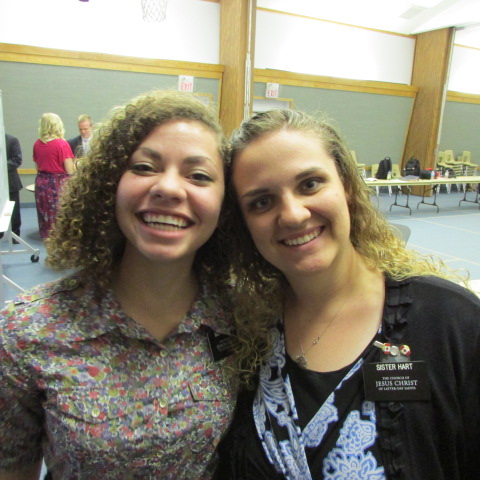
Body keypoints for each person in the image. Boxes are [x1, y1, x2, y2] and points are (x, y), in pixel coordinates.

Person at [214, 109, 480, 479]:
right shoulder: (249, 334)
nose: (293, 215)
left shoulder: (452, 323)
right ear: (244, 224)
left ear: (347, 187)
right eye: (262, 202)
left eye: (310, 184)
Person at [0, 90, 236, 480]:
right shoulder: (28, 332)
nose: (169, 188)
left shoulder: (240, 317)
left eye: (198, 175)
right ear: (109, 184)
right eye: (144, 167)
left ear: (226, 204)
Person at [32, 112, 75, 239]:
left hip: (41, 182)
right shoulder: (61, 144)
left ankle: (47, 236)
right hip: (57, 183)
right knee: (60, 213)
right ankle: (61, 238)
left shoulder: (37, 144)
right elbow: (70, 170)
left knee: (44, 211)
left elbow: (37, 166)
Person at [0, 134, 23, 241]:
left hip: (10, 182)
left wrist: (1, 165)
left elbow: (17, 160)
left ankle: (15, 234)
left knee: (13, 211)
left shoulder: (12, 140)